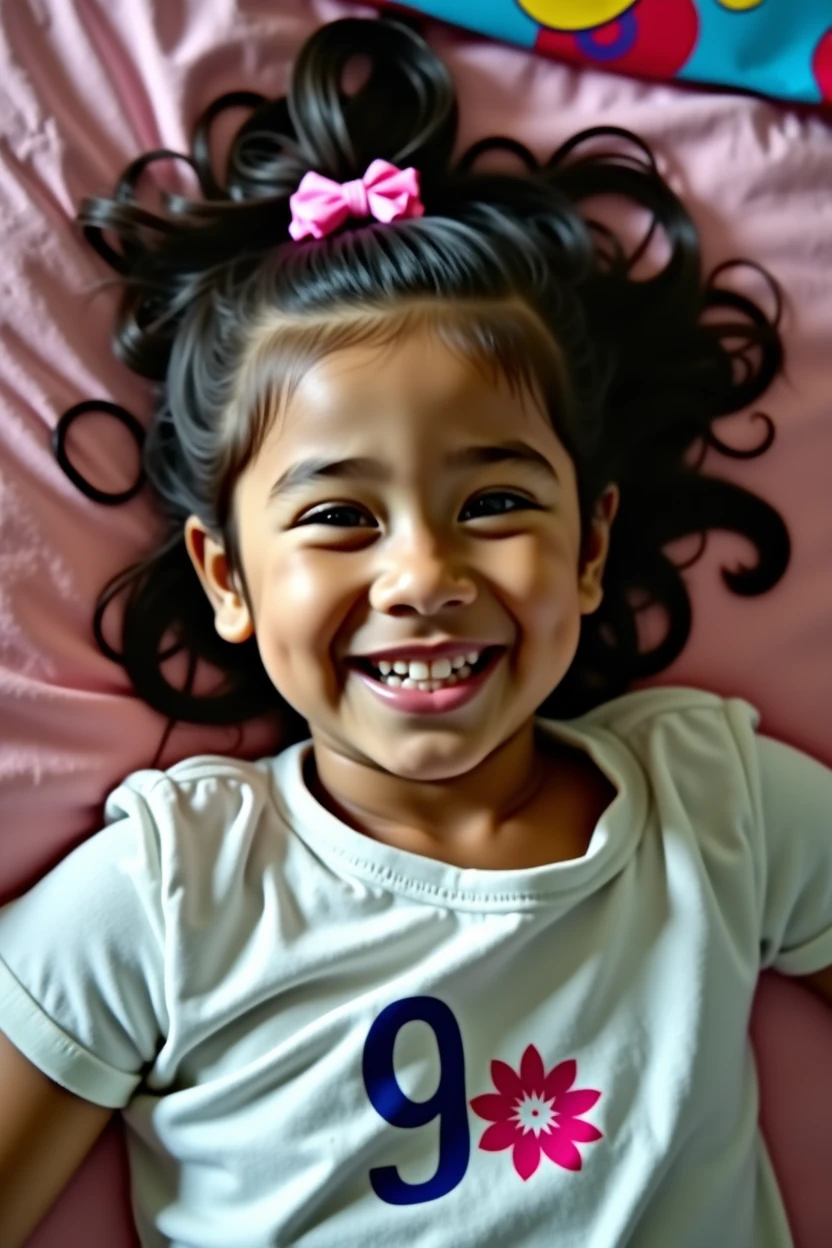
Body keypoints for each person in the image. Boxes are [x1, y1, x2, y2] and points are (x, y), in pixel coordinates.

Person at [1, 15, 830, 1248]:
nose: (424, 575)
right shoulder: (165, 895)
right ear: (226, 580)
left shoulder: (722, 805)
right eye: (339, 516)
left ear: (590, 548)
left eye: (493, 503)